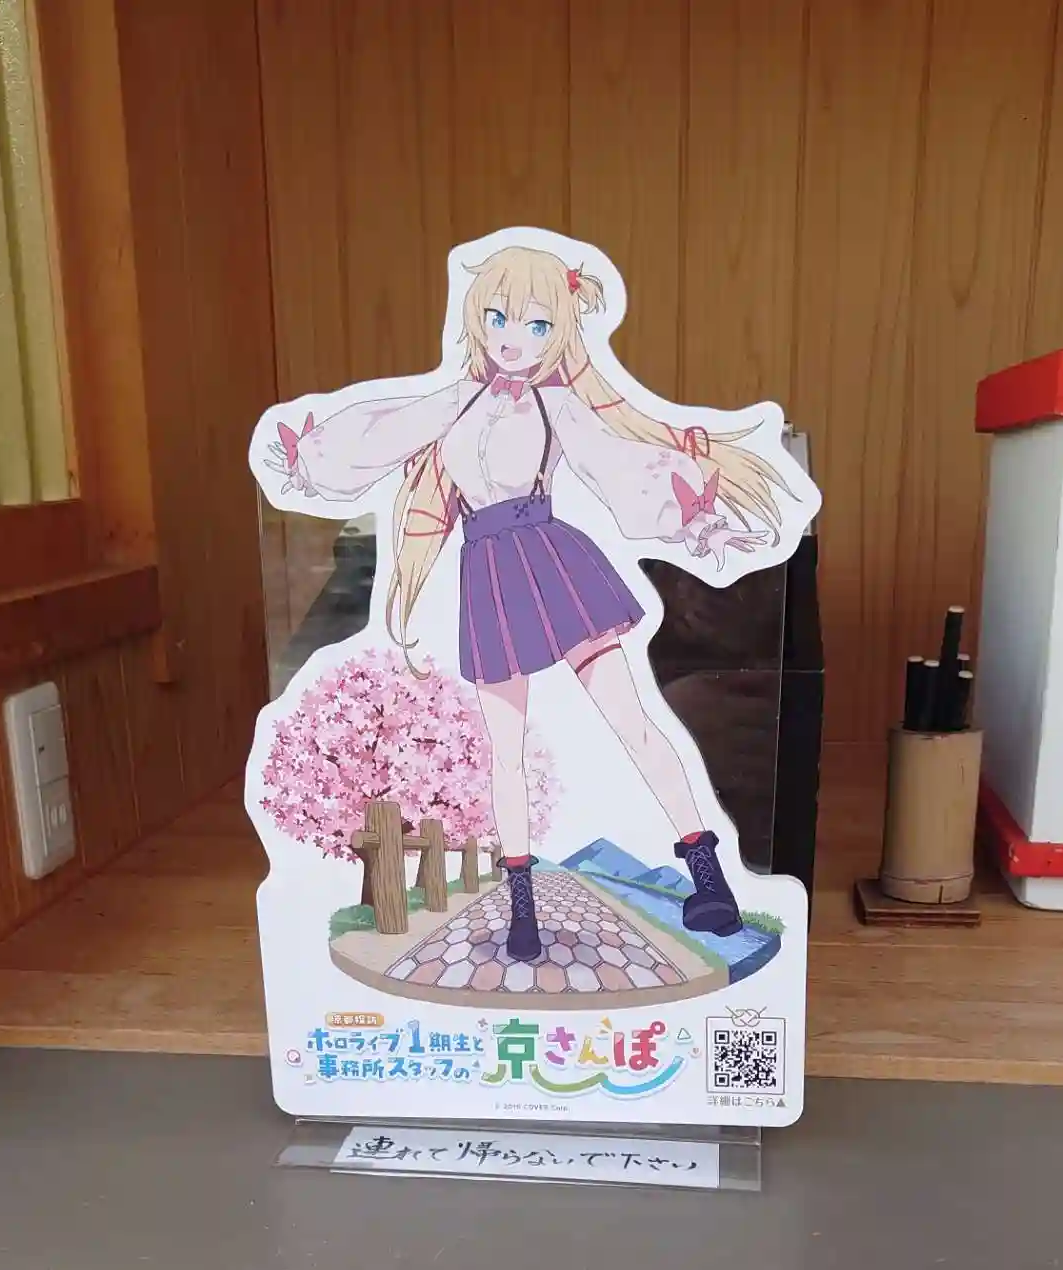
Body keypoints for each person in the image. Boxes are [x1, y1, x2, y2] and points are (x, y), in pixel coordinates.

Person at [265, 244, 802, 963]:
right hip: (489, 579)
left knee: (632, 722)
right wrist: (312, 459)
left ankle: (709, 877)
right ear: (476, 317)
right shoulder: (451, 404)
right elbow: (381, 433)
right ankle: (523, 907)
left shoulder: (557, 404)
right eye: (499, 317)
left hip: (552, 562)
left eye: (537, 324)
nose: (514, 338)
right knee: (505, 754)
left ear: (560, 331)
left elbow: (615, 462)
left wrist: (693, 513)